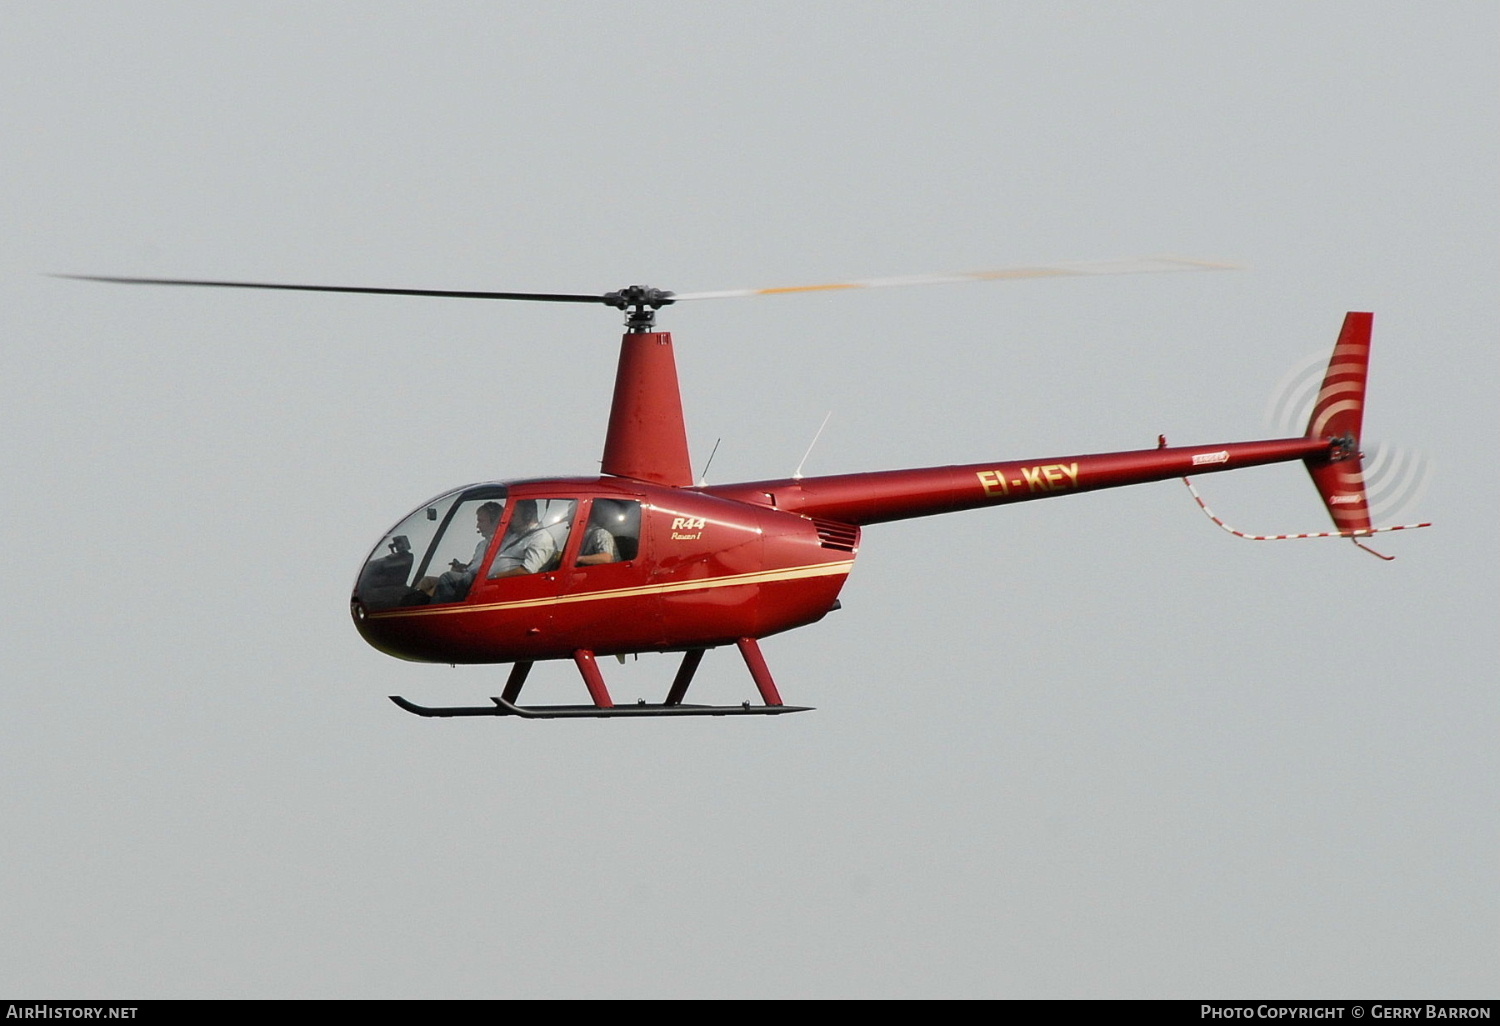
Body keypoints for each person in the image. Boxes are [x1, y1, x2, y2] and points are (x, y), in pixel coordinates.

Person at [417, 501, 502, 602]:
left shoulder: (501, 544)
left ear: (494, 521)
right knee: (427, 581)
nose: (477, 526)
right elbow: (474, 567)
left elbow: (491, 569)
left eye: (481, 521)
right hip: (467, 581)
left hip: (479, 585)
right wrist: (462, 568)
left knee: (447, 578)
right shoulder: (481, 545)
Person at [487, 499, 559, 578]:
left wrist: (494, 577)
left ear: (527, 515)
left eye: (513, 515)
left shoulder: (541, 538)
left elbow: (527, 570)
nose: (509, 519)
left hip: (514, 585)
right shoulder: (515, 535)